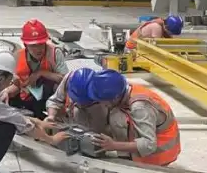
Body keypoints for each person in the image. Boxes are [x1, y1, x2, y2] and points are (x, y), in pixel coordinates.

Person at [48, 68, 180, 166]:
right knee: (114, 115)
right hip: (152, 142)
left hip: (159, 154)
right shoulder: (121, 88)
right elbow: (55, 101)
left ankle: (130, 162)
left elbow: (149, 145)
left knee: (117, 118)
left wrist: (114, 145)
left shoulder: (140, 108)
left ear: (115, 98)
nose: (102, 104)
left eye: (102, 101)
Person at [5, 19, 69, 118]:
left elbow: (65, 80)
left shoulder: (54, 53)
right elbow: (15, 84)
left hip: (48, 99)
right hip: (25, 97)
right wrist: (8, 91)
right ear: (26, 45)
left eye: (41, 44)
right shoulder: (17, 57)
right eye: (33, 45)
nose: (38, 49)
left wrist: (41, 73)